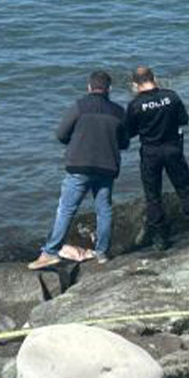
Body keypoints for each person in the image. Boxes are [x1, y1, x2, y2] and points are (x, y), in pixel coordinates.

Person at [27, 71, 128, 270]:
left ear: (89, 87)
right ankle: (102, 252)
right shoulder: (118, 111)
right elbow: (124, 143)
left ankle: (50, 252)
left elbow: (61, 134)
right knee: (104, 210)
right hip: (107, 167)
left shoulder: (79, 106)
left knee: (66, 209)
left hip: (79, 165)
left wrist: (75, 141)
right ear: (109, 89)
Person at [123, 65, 189, 248]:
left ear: (135, 84)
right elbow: (184, 120)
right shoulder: (171, 96)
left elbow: (129, 133)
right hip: (173, 148)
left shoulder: (135, 105)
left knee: (153, 195)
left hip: (150, 152)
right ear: (154, 78)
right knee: (184, 188)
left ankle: (161, 238)